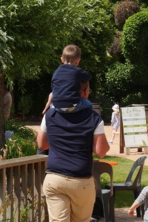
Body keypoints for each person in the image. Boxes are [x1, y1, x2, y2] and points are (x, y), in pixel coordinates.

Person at [37, 81, 110, 222]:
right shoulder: (93, 117)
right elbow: (101, 152)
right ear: (85, 92)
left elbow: (42, 144)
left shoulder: (50, 114)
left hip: (55, 177)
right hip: (80, 180)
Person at [51, 44, 92, 113]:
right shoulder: (77, 71)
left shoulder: (56, 72)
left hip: (56, 106)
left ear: (62, 59)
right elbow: (89, 76)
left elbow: (53, 86)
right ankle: (86, 121)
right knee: (88, 104)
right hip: (71, 107)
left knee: (52, 106)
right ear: (78, 60)